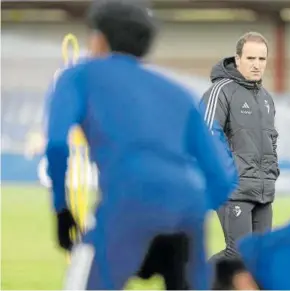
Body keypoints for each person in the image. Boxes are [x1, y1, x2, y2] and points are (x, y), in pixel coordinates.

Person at [44, 1, 238, 289]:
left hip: (127, 201)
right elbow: (223, 175)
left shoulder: (78, 75)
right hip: (188, 209)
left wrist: (62, 209)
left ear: (98, 38)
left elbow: (58, 145)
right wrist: (184, 209)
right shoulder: (178, 93)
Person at [201, 31, 280, 262]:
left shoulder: (266, 98)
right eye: (250, 58)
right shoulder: (221, 90)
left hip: (263, 190)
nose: (257, 65)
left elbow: (271, 139)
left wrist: (272, 173)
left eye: (262, 59)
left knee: (261, 257)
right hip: (233, 190)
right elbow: (207, 135)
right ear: (237, 60)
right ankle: (193, 281)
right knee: (238, 256)